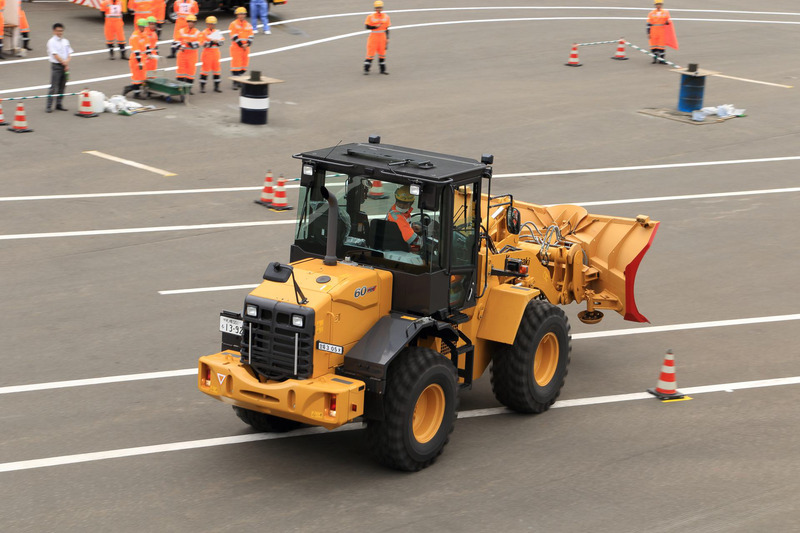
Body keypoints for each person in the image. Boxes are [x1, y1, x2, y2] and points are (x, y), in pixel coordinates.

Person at [45, 23, 73, 112]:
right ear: (54, 31)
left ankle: (59, 104)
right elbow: (55, 54)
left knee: (62, 86)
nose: (59, 32)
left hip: (64, 65)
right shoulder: (51, 41)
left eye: (61, 31)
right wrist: (64, 63)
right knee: (54, 86)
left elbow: (69, 53)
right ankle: (49, 106)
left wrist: (67, 62)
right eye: (58, 31)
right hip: (56, 66)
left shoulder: (65, 41)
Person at [386, 186, 423, 251]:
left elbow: (402, 227)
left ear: (411, 203)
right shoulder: (397, 216)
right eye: (399, 202)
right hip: (397, 249)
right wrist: (422, 245)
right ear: (396, 200)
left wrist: (412, 227)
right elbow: (413, 240)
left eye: (405, 203)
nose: (402, 205)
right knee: (421, 250)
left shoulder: (397, 211)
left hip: (396, 243)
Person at [122, 18, 150, 98]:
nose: (144, 28)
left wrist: (149, 53)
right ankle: (136, 94)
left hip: (143, 58)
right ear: (139, 27)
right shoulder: (135, 37)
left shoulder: (144, 34)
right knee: (137, 78)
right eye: (143, 27)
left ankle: (129, 88)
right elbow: (136, 51)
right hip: (136, 60)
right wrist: (139, 62)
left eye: (145, 27)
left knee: (142, 77)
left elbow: (147, 45)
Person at [363, 0, 390, 75]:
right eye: (377, 8)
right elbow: (367, 26)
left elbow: (387, 28)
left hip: (382, 37)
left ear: (382, 8)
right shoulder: (371, 16)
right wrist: (375, 27)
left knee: (382, 54)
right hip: (373, 37)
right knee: (370, 54)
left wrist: (387, 38)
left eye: (380, 7)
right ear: (375, 8)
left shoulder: (386, 16)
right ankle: (366, 69)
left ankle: (382, 70)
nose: (379, 9)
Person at [175, 14, 201, 92]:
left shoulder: (197, 33)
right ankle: (180, 88)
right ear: (187, 22)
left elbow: (197, 45)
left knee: (190, 73)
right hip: (182, 54)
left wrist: (188, 43)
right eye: (189, 21)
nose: (190, 23)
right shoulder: (181, 31)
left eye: (192, 22)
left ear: (195, 23)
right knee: (180, 72)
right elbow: (176, 42)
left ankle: (188, 89)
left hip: (192, 55)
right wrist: (180, 46)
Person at [229, 7, 254, 86]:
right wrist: (241, 44)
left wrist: (248, 43)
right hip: (237, 48)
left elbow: (251, 35)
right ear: (237, 15)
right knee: (236, 65)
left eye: (243, 14)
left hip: (245, 48)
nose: (242, 15)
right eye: (240, 14)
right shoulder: (233, 24)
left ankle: (238, 79)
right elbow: (234, 36)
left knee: (244, 66)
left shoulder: (248, 25)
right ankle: (235, 82)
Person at [199, 16, 224, 93]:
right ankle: (202, 87)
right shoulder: (204, 33)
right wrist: (213, 42)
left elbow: (222, 42)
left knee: (217, 70)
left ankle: (216, 86)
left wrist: (215, 42)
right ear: (207, 24)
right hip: (207, 53)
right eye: (210, 24)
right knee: (205, 70)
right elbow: (203, 43)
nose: (211, 25)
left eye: (212, 24)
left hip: (216, 53)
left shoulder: (217, 32)